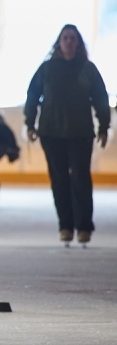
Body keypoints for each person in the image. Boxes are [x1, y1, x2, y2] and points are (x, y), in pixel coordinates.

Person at [24, 24, 110, 245]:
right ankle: (65, 225)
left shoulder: (88, 68)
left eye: (73, 38)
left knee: (80, 177)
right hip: (51, 132)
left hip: (81, 132)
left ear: (79, 43)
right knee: (59, 178)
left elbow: (101, 99)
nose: (69, 41)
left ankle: (83, 226)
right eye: (65, 38)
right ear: (59, 42)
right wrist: (30, 124)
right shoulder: (47, 69)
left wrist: (103, 127)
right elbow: (32, 96)